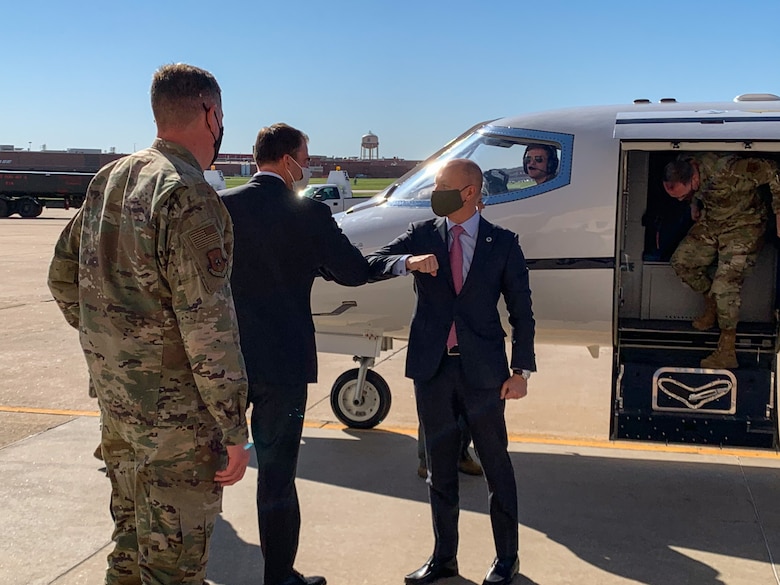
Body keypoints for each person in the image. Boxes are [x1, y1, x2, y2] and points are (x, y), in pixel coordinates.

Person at [47, 63, 250, 584]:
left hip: (120, 412)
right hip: (176, 425)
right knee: (173, 568)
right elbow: (209, 329)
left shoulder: (110, 179)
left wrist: (116, 351)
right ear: (211, 114)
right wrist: (232, 426)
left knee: (130, 551)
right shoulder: (187, 195)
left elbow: (63, 277)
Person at [366, 158, 536, 585]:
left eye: (442, 186)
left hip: (485, 374)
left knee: (497, 466)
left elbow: (523, 313)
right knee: (440, 471)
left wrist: (521, 372)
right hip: (434, 371)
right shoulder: (423, 235)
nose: (433, 193)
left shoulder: (503, 243)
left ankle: (506, 560)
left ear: (470, 192)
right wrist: (407, 262)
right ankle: (444, 559)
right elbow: (374, 262)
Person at [219, 123, 370, 585]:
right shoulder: (309, 214)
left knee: (210, 467)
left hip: (224, 359)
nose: (308, 166)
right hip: (282, 363)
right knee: (277, 477)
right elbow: (352, 273)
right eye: (305, 156)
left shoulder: (222, 207)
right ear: (288, 159)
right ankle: (279, 577)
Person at [662, 153, 780, 368]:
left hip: (744, 224)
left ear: (695, 180)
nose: (680, 200)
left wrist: (779, 212)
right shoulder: (684, 161)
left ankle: (727, 350)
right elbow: (690, 188)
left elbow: (773, 170)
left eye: (683, 195)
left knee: (725, 286)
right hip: (714, 221)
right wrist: (693, 203)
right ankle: (713, 303)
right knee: (683, 262)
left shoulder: (729, 169)